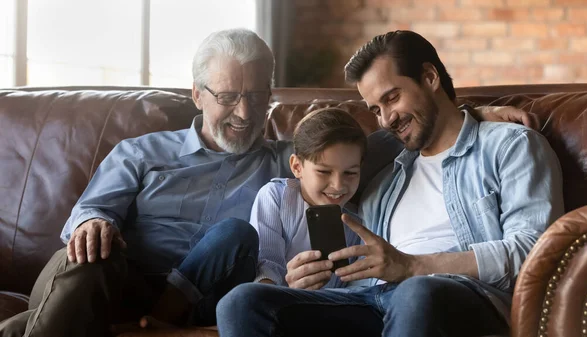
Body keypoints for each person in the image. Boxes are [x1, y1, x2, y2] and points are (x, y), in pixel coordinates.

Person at [0, 28, 540, 337]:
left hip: (213, 296)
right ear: (196, 95)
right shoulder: (142, 152)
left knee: (236, 250)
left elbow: (389, 134)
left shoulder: (292, 163)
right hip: (121, 278)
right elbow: (89, 214)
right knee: (89, 251)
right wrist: (94, 222)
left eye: (257, 97)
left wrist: (469, 110)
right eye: (228, 96)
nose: (243, 112)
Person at [216, 30, 564, 337]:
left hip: (462, 295)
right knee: (242, 302)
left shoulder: (511, 146)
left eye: (392, 98)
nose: (386, 118)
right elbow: (318, 168)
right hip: (371, 299)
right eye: (376, 108)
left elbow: (534, 251)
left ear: (430, 77)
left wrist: (414, 267)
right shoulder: (386, 164)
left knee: (416, 292)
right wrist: (300, 280)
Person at [250, 107, 366, 289]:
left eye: (350, 173)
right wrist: (284, 291)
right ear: (297, 167)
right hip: (275, 301)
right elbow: (266, 262)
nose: (338, 185)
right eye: (324, 171)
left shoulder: (358, 220)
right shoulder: (275, 197)